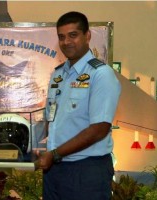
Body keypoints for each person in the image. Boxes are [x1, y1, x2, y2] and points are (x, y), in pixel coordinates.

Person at [35, 11, 121, 200]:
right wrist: (31, 146)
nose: (66, 42)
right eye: (61, 37)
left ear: (87, 36)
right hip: (55, 169)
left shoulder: (101, 74)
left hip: (87, 170)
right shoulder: (58, 75)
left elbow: (99, 129)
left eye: (73, 35)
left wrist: (55, 154)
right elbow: (51, 120)